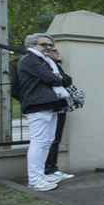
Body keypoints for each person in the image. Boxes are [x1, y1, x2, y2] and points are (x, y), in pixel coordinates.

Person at [16, 33, 72, 192]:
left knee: (47, 141)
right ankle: (34, 180)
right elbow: (54, 79)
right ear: (32, 46)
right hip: (37, 105)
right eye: (44, 44)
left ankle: (42, 175)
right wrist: (54, 77)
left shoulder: (45, 62)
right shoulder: (29, 60)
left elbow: (65, 80)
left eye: (50, 44)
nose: (48, 47)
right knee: (39, 142)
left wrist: (54, 77)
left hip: (50, 104)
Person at [42, 45, 75, 184]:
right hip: (46, 106)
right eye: (54, 50)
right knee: (46, 140)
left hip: (59, 106)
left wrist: (59, 78)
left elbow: (67, 80)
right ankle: (46, 170)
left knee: (55, 139)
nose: (57, 52)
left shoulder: (55, 66)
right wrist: (58, 79)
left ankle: (52, 169)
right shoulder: (41, 66)